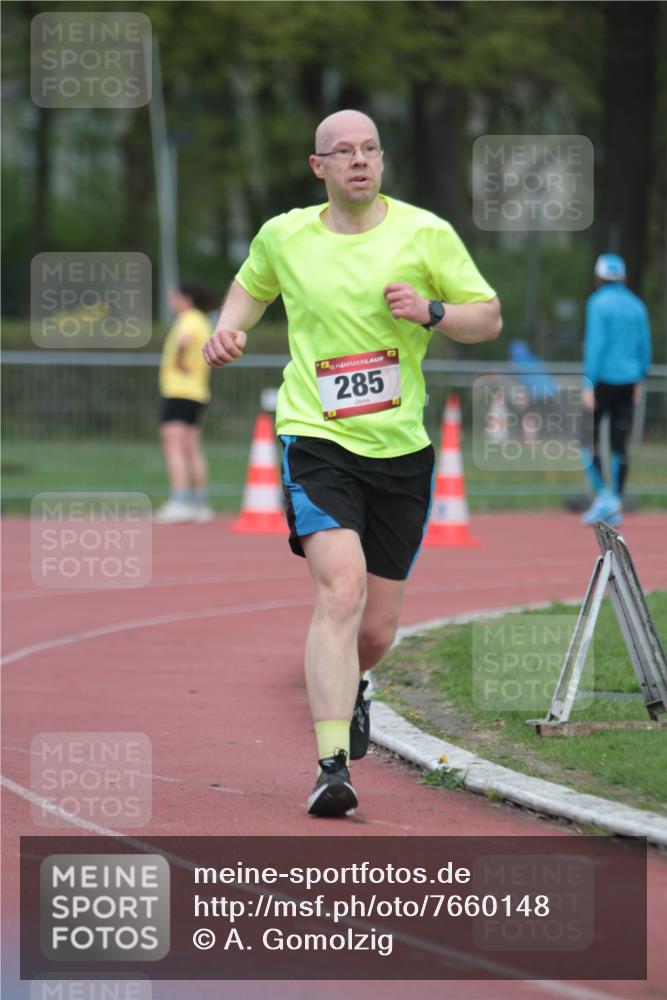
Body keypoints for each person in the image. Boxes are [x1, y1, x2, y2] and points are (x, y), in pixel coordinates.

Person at [204, 109, 501, 816]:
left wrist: (431, 311)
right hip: (316, 438)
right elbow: (252, 284)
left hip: (401, 450)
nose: (358, 161)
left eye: (369, 149)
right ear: (320, 168)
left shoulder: (424, 233)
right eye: (343, 152)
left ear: (382, 160)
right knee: (339, 592)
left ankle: (358, 684)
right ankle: (331, 765)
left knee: (374, 629)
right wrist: (228, 328)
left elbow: (485, 317)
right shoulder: (285, 235)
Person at [580, 253, 652, 526]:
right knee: (620, 443)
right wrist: (639, 379)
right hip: (628, 382)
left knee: (587, 439)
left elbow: (595, 345)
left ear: (599, 277)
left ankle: (603, 496)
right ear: (623, 276)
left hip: (602, 382)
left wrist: (588, 381)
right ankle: (616, 502)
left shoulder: (597, 303)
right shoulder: (637, 305)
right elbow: (645, 346)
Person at [155, 283, 216, 524]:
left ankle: (179, 501)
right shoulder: (203, 320)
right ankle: (201, 504)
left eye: (174, 296)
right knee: (192, 448)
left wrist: (179, 360)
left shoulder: (188, 319)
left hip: (179, 390)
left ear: (186, 298)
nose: (171, 300)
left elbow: (183, 341)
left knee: (173, 446)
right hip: (197, 392)